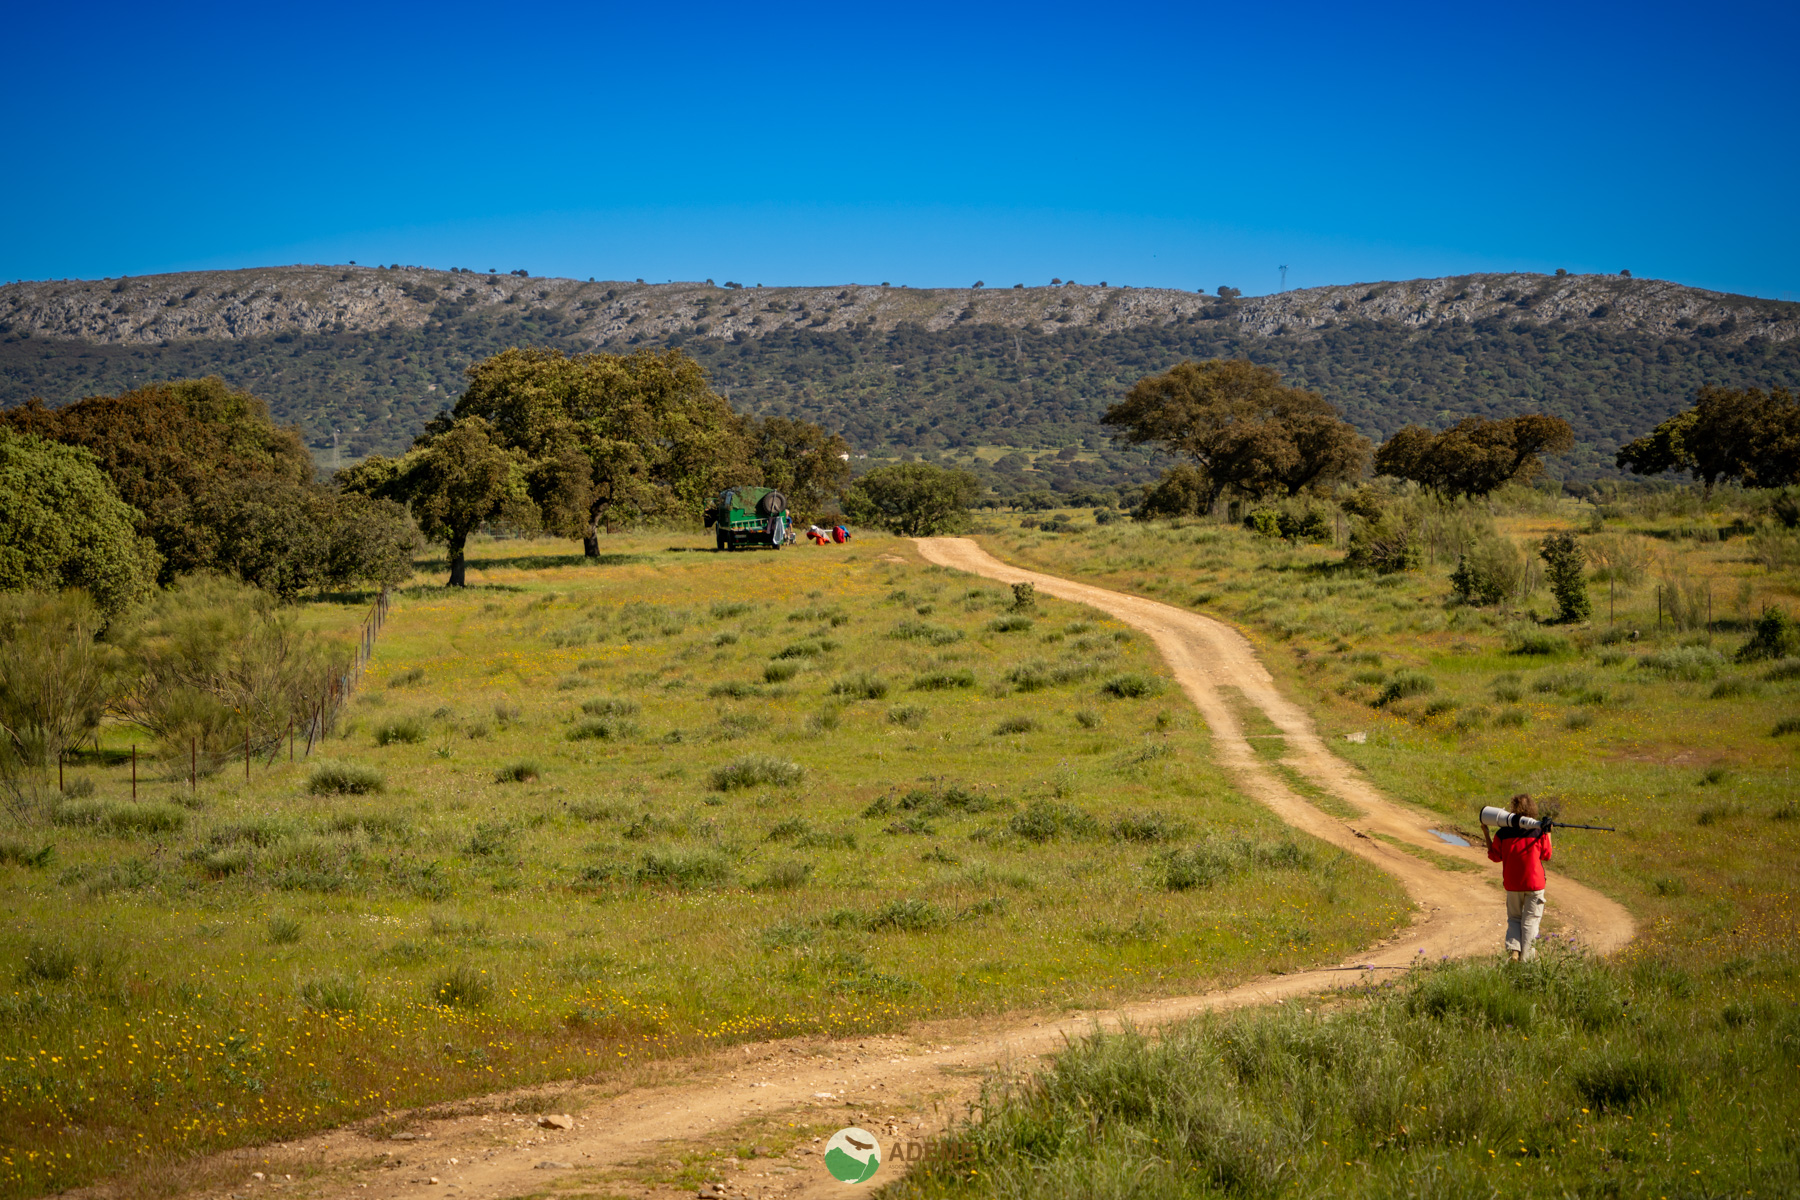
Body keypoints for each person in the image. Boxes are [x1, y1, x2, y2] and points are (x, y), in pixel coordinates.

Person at [1480, 793, 1552, 962]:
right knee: (1530, 922)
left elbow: (1495, 857)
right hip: (1535, 885)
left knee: (1514, 919)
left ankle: (1513, 951)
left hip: (1513, 884)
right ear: (1532, 810)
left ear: (1513, 809)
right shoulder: (1538, 831)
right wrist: (1548, 833)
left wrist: (1486, 833)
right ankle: (1526, 961)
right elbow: (1547, 855)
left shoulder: (1503, 833)